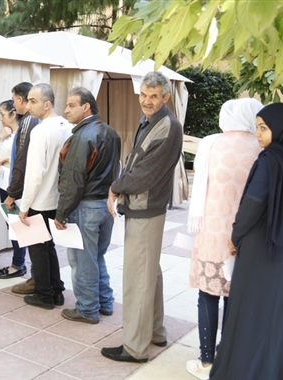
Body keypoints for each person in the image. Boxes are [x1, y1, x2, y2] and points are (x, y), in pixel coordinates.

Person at [209, 103, 283, 380]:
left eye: (264, 128)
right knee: (278, 317)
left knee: (249, 316)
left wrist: (235, 236)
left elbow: (253, 205)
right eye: (257, 126)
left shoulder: (270, 159)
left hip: (259, 246)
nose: (258, 133)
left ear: (282, 129)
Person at [101, 72, 183, 363]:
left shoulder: (167, 125)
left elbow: (145, 173)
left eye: (154, 96)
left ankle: (135, 347)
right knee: (150, 272)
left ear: (166, 97)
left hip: (146, 208)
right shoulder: (153, 121)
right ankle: (155, 331)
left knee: (138, 277)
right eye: (144, 95)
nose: (147, 101)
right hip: (143, 207)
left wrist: (115, 187)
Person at [185, 98, 264, 380]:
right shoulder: (261, 147)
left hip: (212, 232)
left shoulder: (210, 143)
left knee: (207, 295)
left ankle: (207, 361)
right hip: (246, 234)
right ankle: (229, 355)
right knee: (235, 296)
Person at [54, 87, 121, 324]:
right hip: (107, 205)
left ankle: (87, 309)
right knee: (96, 257)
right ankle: (105, 302)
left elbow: (73, 179)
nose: (66, 110)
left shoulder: (82, 136)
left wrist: (61, 214)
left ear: (86, 107)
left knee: (82, 260)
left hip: (86, 206)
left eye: (71, 105)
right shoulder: (112, 132)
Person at [18, 83, 72, 310]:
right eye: (28, 100)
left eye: (33, 101)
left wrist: (24, 206)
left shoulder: (40, 130)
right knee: (48, 247)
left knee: (38, 250)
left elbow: (34, 173)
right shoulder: (68, 127)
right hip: (58, 198)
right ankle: (56, 291)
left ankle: (44, 295)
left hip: (40, 199)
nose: (29, 105)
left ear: (47, 104)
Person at [4, 82, 41, 293]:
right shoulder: (39, 122)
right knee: (40, 242)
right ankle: (41, 282)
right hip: (36, 190)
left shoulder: (28, 122)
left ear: (21, 100)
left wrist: (12, 193)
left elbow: (22, 161)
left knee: (36, 241)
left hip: (30, 191)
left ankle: (38, 283)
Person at [0, 99, 27, 279]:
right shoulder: (8, 135)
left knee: (19, 225)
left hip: (17, 187)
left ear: (13, 114)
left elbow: (24, 161)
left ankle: (18, 264)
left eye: (3, 115)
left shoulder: (23, 134)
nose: (1, 119)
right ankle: (18, 262)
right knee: (11, 225)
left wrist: (7, 159)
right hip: (4, 184)